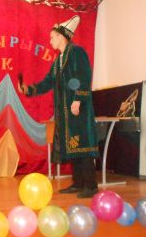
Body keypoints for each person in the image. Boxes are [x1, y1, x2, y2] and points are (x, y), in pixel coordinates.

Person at [18, 16, 99, 198]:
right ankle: (79, 183)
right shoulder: (58, 60)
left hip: (78, 109)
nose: (50, 41)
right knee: (73, 145)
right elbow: (48, 82)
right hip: (65, 112)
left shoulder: (76, 52)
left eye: (52, 37)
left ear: (62, 37)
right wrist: (28, 89)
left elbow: (83, 76)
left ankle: (91, 185)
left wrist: (78, 99)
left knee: (82, 146)